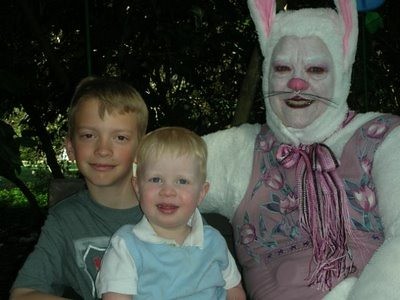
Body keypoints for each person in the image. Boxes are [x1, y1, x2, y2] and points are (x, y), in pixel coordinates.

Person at [200, 0, 400, 299]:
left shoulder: (384, 137)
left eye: (316, 69)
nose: (296, 83)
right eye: (282, 68)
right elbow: (149, 169)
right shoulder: (238, 150)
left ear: (342, 68)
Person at [10, 76, 149, 300]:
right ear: (71, 148)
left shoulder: (171, 206)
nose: (103, 149)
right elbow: (22, 293)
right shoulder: (65, 221)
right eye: (88, 135)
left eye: (120, 137)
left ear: (141, 150)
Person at [95, 127, 246, 300]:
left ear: (202, 193)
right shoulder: (126, 246)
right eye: (156, 179)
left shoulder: (214, 241)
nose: (168, 191)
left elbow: (235, 291)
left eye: (182, 181)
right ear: (137, 188)